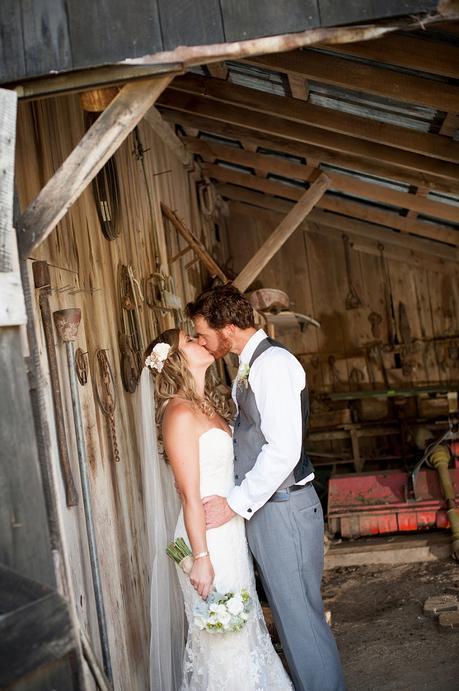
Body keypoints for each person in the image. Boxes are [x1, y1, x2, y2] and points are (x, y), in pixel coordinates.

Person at [185, 285, 346, 691]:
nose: (202, 341)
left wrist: (235, 503)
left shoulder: (272, 365)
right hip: (272, 508)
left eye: (204, 333)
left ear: (229, 327)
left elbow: (283, 450)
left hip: (285, 506)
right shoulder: (249, 364)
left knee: (301, 623)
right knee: (293, 624)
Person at [145, 328, 293, 691]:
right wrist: (200, 556)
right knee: (224, 643)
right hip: (205, 537)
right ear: (177, 359)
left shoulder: (208, 405)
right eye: (190, 340)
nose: (201, 340)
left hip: (228, 533)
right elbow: (187, 493)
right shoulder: (179, 414)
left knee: (243, 635)